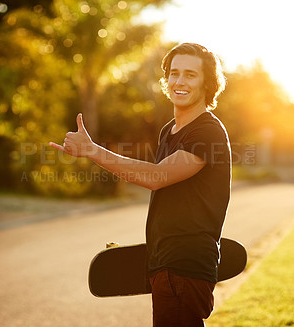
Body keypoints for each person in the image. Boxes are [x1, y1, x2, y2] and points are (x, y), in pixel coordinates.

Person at [50, 42, 231, 327]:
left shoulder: (207, 131)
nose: (179, 81)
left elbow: (155, 176)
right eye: (174, 73)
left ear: (208, 83)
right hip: (165, 265)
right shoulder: (169, 132)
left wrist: (93, 151)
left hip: (184, 265)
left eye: (190, 75)